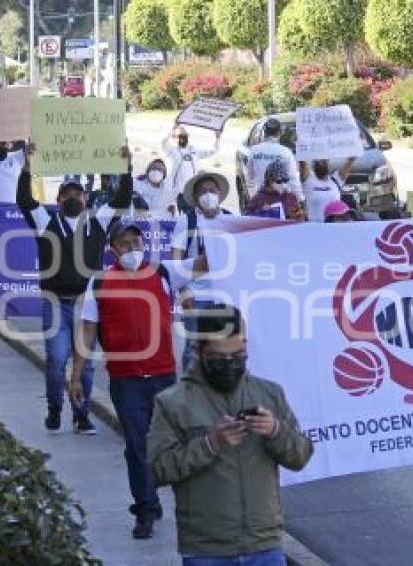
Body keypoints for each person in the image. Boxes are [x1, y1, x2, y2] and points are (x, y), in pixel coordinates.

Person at [71, 219, 207, 540]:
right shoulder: (101, 282)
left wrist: (219, 229)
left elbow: (205, 263)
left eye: (136, 243)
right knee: (136, 444)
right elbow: (88, 329)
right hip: (125, 379)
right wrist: (76, 375)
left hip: (162, 376)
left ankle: (162, 496)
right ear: (113, 249)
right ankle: (145, 507)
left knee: (167, 443)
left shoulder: (163, 273)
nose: (132, 249)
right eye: (124, 244)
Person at [148, 304, 314, 564]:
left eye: (238, 356)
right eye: (219, 358)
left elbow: (301, 455)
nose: (229, 365)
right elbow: (157, 470)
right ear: (199, 352)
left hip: (264, 546)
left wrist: (275, 431)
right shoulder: (172, 402)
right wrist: (210, 444)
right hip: (206, 550)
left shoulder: (269, 394)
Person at [16, 143, 134, 435]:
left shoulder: (98, 221)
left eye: (77, 193)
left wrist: (126, 168)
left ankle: (81, 415)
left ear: (85, 197)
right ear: (58, 199)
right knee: (56, 360)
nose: (72, 197)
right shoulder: (46, 221)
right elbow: (23, 199)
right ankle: (55, 408)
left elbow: (121, 198)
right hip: (55, 301)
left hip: (87, 305)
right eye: (67, 193)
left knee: (87, 365)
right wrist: (28, 167)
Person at [172, 171, 235, 372]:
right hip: (196, 295)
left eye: (212, 190)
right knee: (194, 349)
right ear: (196, 197)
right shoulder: (186, 221)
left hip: (225, 294)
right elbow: (176, 259)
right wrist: (183, 292)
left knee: (223, 347)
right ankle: (189, 392)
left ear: (219, 193)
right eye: (203, 191)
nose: (208, 194)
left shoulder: (232, 220)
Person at [161, 125, 221, 208]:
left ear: (188, 137)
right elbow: (163, 142)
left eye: (184, 136)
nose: (182, 138)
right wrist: (173, 128)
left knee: (193, 215)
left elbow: (212, 151)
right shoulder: (171, 150)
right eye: (179, 136)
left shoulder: (194, 150)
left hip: (191, 191)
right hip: (177, 192)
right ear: (174, 137)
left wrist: (217, 138)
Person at [247, 118, 303, 200]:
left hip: (260, 200)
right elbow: (293, 179)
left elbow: (250, 175)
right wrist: (299, 198)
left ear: (265, 133)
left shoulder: (254, 150)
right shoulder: (285, 152)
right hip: (280, 200)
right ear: (279, 132)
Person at [300, 156, 356, 222]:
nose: (321, 163)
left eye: (324, 161)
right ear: (314, 164)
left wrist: (353, 154)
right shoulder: (308, 180)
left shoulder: (335, 180)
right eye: (318, 161)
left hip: (334, 226)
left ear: (328, 164)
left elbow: (350, 162)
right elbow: (302, 161)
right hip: (314, 226)